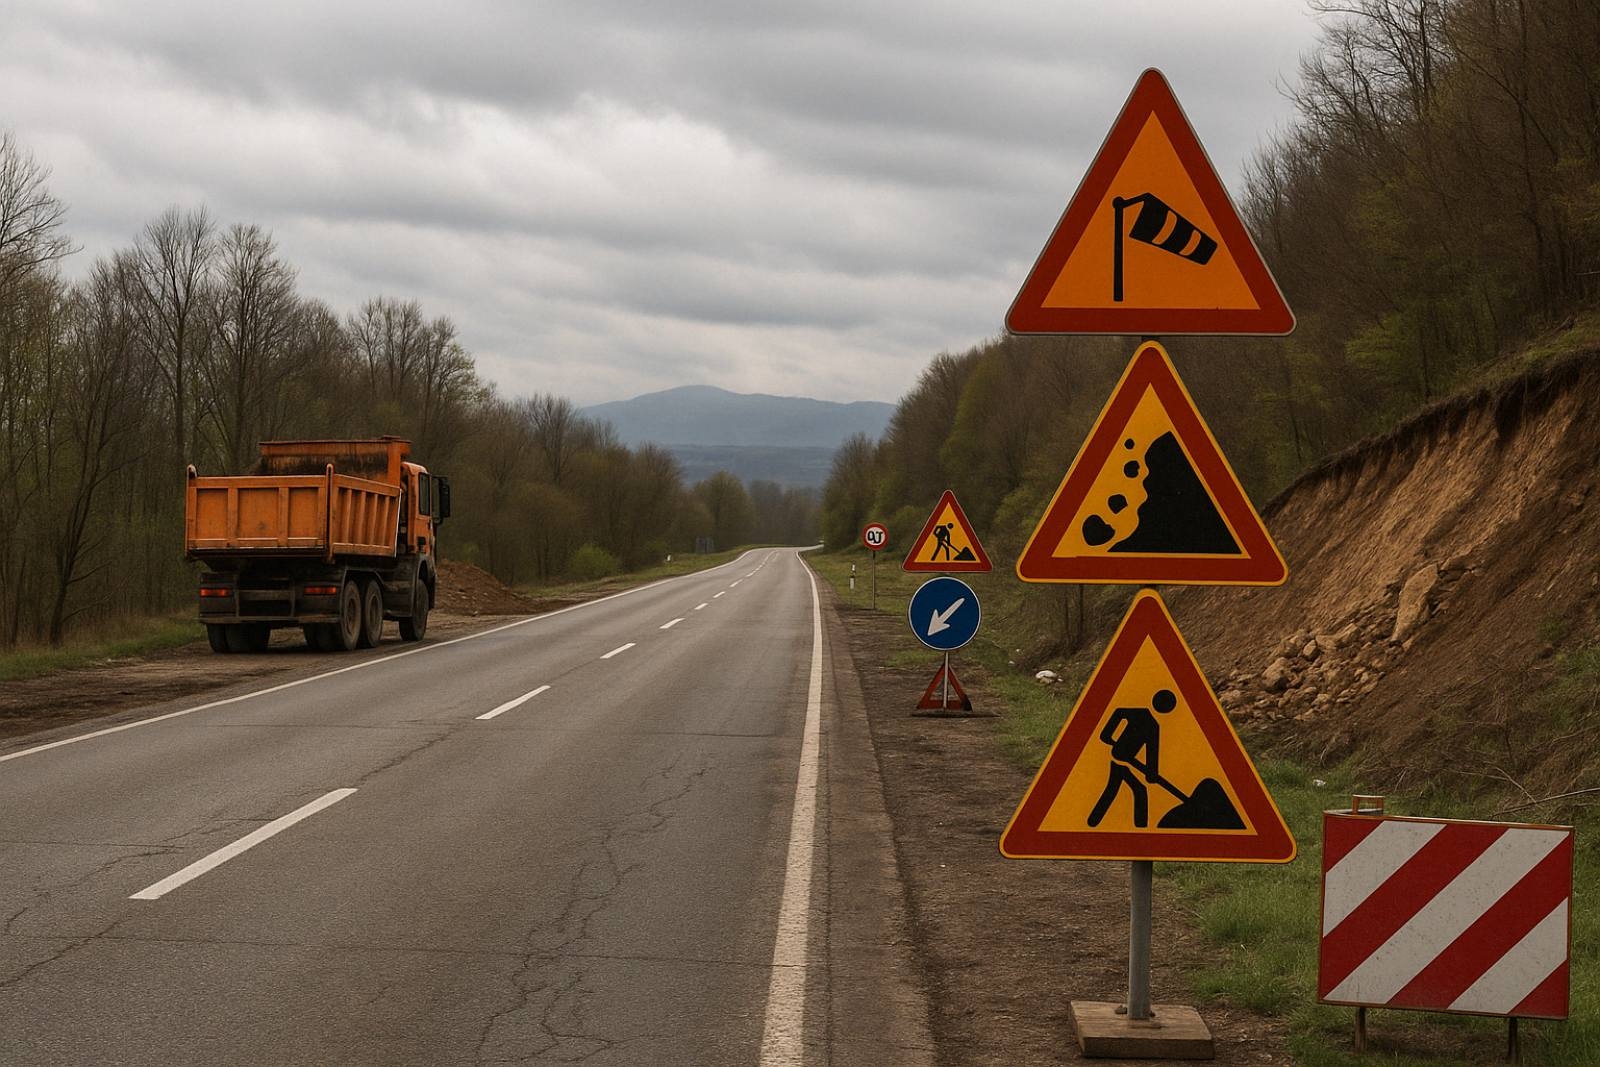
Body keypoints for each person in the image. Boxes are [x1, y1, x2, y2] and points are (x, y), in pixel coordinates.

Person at [1087, 689, 1177, 828]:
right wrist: (1107, 733)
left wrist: (1151, 772)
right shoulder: (1146, 718)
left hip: (1124, 761)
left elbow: (1152, 752)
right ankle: (1140, 828)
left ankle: (1093, 822)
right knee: (1136, 791)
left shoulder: (1150, 722)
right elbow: (1119, 712)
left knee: (1118, 790)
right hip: (1120, 761)